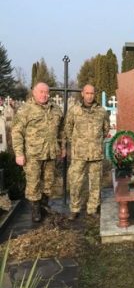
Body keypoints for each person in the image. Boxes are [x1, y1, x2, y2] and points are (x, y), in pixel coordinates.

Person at [11, 82, 64, 222]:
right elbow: (17, 132)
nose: (44, 95)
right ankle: (35, 211)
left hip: (50, 153)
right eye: (41, 91)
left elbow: (62, 131)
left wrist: (63, 147)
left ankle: (43, 206)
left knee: (49, 183)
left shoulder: (56, 109)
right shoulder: (25, 110)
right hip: (32, 154)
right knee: (33, 183)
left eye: (46, 92)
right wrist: (19, 153)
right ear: (34, 93)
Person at [64, 85, 110, 220]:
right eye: (87, 93)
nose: (90, 96)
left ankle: (92, 208)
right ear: (82, 94)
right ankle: (74, 208)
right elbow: (68, 128)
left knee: (95, 182)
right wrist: (78, 142)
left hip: (96, 153)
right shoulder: (74, 110)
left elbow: (105, 129)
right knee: (75, 182)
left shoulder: (101, 111)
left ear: (94, 94)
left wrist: (95, 141)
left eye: (92, 93)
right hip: (79, 153)